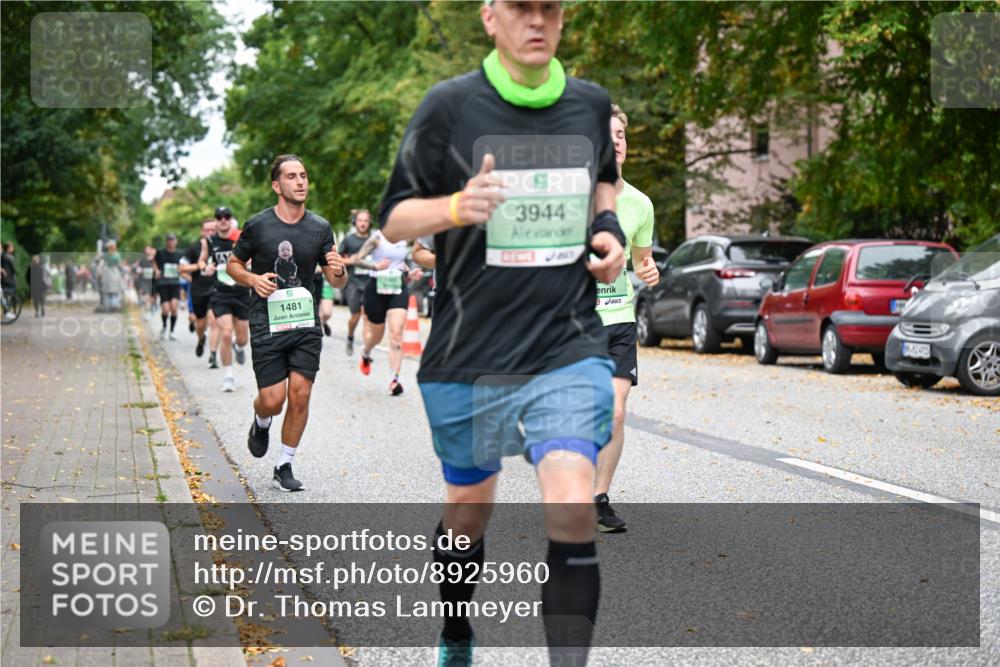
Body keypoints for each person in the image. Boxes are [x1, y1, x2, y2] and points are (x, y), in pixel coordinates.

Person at [378, 1, 626, 664]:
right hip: (471, 352)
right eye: (522, 7)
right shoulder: (449, 107)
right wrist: (457, 207)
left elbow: (604, 182)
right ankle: (456, 627)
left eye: (550, 7)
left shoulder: (590, 104)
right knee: (467, 514)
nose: (537, 20)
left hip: (565, 344)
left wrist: (611, 233)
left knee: (573, 505)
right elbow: (396, 219)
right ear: (491, 17)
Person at [227, 154, 347, 491]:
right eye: (292, 176)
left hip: (304, 322)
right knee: (273, 399)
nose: (301, 182)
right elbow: (233, 265)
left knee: (300, 394)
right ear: (277, 185)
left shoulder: (320, 228)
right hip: (266, 320)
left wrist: (339, 270)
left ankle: (284, 464)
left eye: (304, 175)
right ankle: (261, 420)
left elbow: (338, 282)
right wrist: (252, 280)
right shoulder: (258, 225)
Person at [592, 104, 659, 533]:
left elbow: (644, 262)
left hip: (618, 319)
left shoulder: (640, 204)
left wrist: (649, 273)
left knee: (615, 412)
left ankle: (598, 500)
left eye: (622, 135)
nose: (617, 142)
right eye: (608, 135)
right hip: (573, 322)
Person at [353, 229, 422, 395]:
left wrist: (409, 272)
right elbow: (358, 259)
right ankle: (366, 351)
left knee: (397, 334)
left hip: (397, 286)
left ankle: (394, 379)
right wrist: (375, 266)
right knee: (376, 336)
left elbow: (400, 262)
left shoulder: (405, 236)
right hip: (376, 288)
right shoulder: (377, 237)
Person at [199, 209, 251, 392]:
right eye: (219, 218)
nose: (223, 221)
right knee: (226, 332)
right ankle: (228, 376)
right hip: (220, 293)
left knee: (243, 339)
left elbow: (250, 258)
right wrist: (206, 267)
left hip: (241, 292)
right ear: (215, 221)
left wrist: (249, 265)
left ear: (231, 220)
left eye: (226, 217)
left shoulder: (240, 238)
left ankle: (238, 346)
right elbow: (201, 261)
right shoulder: (209, 241)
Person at [337, 209, 373, 353]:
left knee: (366, 315)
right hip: (353, 283)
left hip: (370, 282)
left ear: (369, 223)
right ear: (355, 222)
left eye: (365, 221)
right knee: (355, 317)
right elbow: (338, 259)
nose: (363, 223)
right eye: (360, 220)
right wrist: (351, 261)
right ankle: (350, 335)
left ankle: (366, 350)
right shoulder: (348, 240)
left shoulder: (374, 240)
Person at [182, 219, 217, 358]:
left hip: (215, 289)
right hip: (198, 290)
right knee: (200, 324)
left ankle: (213, 355)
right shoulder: (193, 248)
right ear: (202, 232)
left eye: (212, 230)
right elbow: (182, 267)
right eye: (207, 230)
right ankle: (201, 338)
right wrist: (200, 266)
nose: (210, 233)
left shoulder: (220, 246)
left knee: (213, 319)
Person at [154, 233, 185, 340]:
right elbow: (154, 261)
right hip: (163, 284)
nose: (171, 242)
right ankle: (164, 327)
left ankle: (172, 331)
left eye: (173, 240)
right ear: (166, 242)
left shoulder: (180, 253)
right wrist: (156, 270)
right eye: (169, 240)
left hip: (175, 284)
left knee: (174, 308)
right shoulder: (160, 252)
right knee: (166, 310)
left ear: (176, 241)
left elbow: (184, 265)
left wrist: (184, 273)